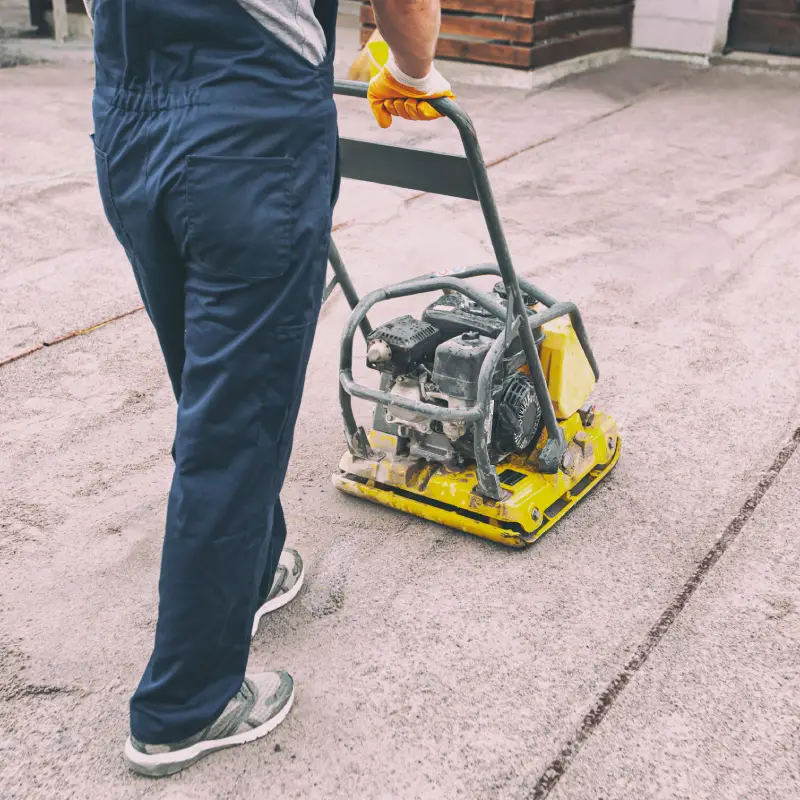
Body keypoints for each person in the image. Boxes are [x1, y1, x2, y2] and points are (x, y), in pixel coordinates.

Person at [84, 0, 454, 779]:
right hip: (247, 131)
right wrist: (413, 69)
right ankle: (186, 706)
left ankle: (250, 572)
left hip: (127, 116)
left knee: (213, 391)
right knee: (235, 422)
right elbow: (409, 11)